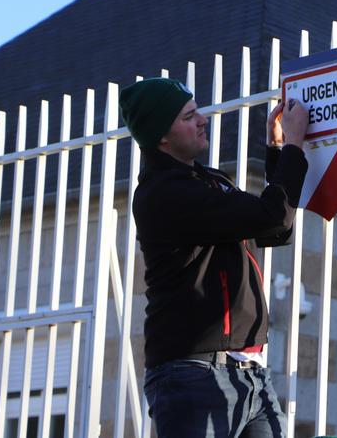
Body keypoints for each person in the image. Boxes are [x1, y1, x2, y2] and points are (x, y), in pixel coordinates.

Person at [118, 77, 309, 438]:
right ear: (161, 136)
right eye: (189, 116)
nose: (202, 119)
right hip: (193, 375)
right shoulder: (165, 193)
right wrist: (295, 146)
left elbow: (273, 229)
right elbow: (273, 216)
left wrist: (278, 149)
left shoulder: (206, 180)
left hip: (248, 373)